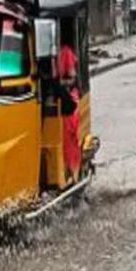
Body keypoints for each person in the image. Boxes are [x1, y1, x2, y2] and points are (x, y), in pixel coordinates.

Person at [58, 44, 82, 183]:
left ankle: (72, 172)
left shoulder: (65, 53)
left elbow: (71, 78)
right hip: (65, 101)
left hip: (68, 102)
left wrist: (59, 83)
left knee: (70, 137)